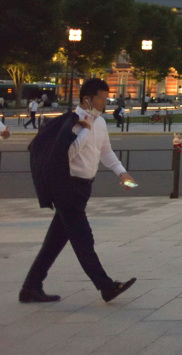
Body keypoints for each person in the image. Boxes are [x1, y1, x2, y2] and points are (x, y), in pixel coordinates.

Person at [21, 78, 136, 304]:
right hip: (68, 187)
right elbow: (66, 156)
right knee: (84, 239)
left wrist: (121, 172)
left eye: (106, 97)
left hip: (84, 188)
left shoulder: (100, 123)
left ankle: (30, 287)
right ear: (87, 99)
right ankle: (106, 286)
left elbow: (105, 151)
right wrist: (83, 131)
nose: (105, 102)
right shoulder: (71, 123)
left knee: (54, 241)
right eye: (102, 98)